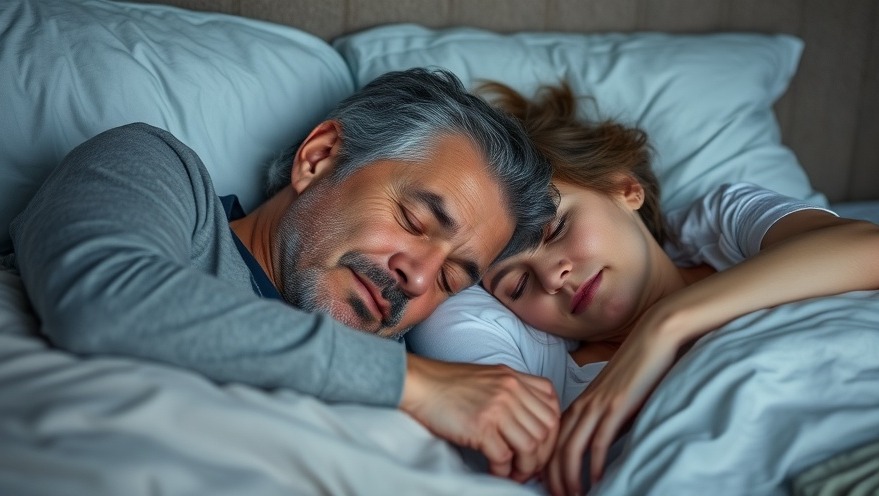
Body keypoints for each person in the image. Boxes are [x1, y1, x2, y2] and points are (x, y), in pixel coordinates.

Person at [7, 69, 561, 482]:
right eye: (413, 221)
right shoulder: (158, 170)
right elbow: (104, 299)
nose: (417, 278)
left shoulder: (412, 385)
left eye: (450, 282)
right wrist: (411, 382)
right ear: (318, 158)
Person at [408, 81, 879, 495]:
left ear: (623, 188)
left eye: (556, 229)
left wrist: (664, 325)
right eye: (518, 284)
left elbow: (869, 248)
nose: (553, 277)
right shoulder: (553, 380)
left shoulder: (722, 231)